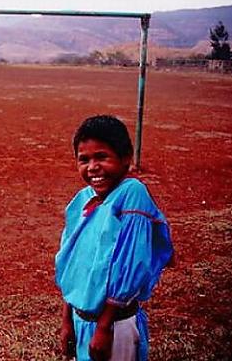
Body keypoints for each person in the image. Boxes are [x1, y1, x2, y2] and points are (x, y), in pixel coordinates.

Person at [55, 115, 174, 361]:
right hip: (81, 320)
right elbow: (73, 266)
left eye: (102, 157)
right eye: (84, 159)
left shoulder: (132, 193)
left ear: (126, 157)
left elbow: (130, 265)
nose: (92, 167)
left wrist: (104, 326)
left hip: (114, 324)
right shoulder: (82, 200)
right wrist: (67, 319)